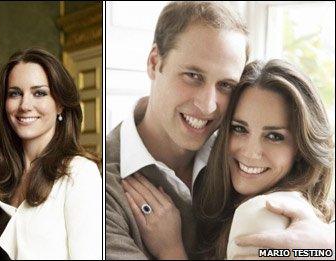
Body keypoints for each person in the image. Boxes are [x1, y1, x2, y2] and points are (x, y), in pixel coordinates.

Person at [105, 2, 335, 259]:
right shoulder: (102, 187)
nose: (208, 105)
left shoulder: (240, 158)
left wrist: (326, 242)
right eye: (193, 75)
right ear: (154, 62)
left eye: (226, 84)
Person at [0, 48, 102, 260]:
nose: (25, 105)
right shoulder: (2, 174)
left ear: (59, 104)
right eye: (15, 93)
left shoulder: (79, 173)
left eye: (39, 93)